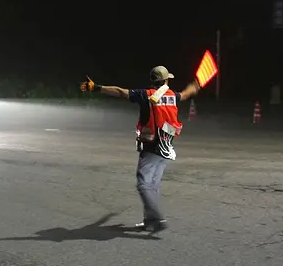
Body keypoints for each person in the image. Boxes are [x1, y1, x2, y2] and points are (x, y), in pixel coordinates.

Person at [80, 66, 200, 232]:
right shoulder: (171, 95)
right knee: (153, 184)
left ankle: (157, 218)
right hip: (167, 144)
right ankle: (150, 220)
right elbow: (185, 94)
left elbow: (121, 92)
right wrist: (193, 88)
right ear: (165, 80)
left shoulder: (146, 95)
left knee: (143, 183)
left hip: (151, 146)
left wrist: (97, 87)